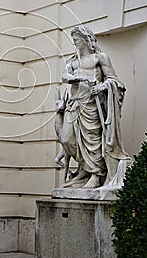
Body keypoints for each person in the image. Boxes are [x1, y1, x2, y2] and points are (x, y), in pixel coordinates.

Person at [55, 25, 130, 189]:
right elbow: (64, 76)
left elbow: (115, 81)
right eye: (73, 40)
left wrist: (103, 87)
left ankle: (96, 174)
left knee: (92, 140)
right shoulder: (72, 61)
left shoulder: (100, 58)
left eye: (76, 40)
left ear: (85, 40)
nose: (74, 43)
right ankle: (83, 172)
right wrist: (77, 78)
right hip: (74, 105)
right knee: (68, 138)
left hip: (92, 105)